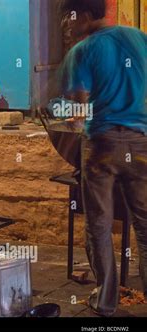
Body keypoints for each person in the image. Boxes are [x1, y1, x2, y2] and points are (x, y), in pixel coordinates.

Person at [60, 0, 147, 316]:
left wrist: (75, 121)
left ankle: (106, 301)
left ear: (84, 16)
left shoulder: (81, 52)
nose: (68, 27)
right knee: (145, 221)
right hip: (140, 143)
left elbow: (76, 111)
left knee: (99, 222)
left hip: (101, 145)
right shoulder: (138, 37)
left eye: (69, 19)